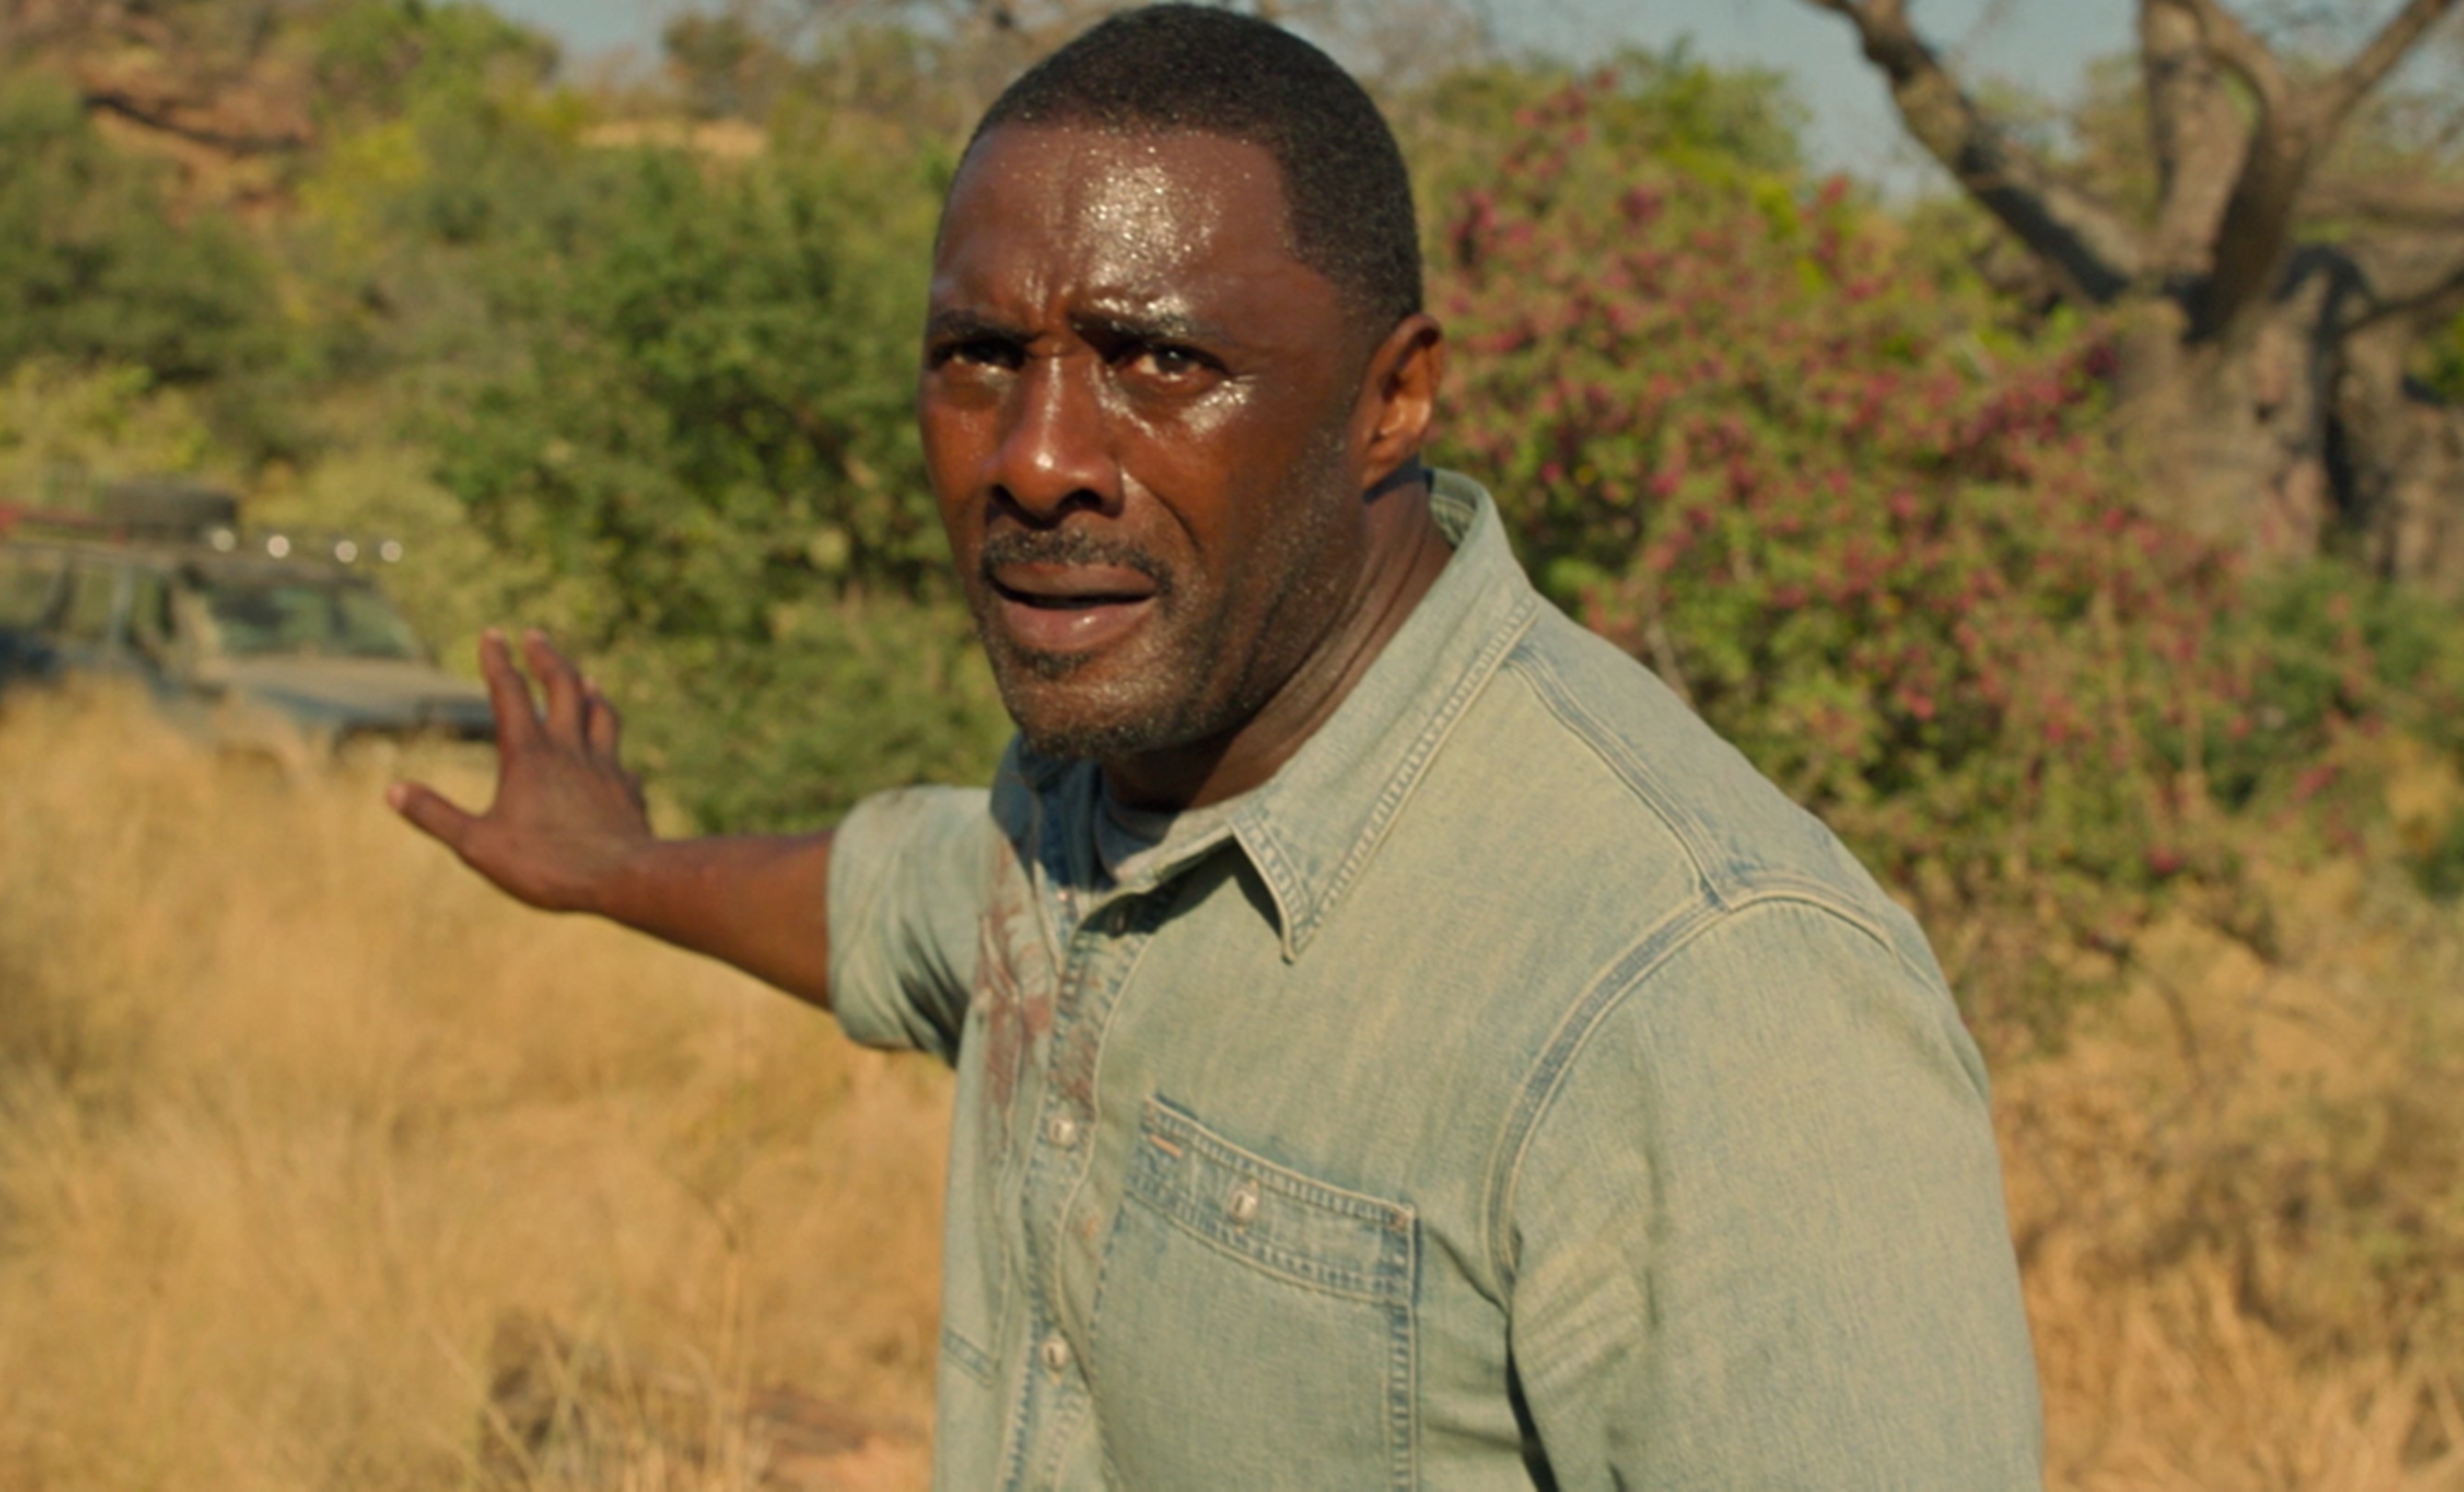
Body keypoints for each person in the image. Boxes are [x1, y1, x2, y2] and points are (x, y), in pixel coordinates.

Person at [391, 6, 2044, 1486]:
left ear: (1392, 402)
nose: (1036, 457)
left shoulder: (1704, 993)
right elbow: (910, 905)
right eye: (980, 358)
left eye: (1162, 361)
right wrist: (616, 868)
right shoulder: (1107, 797)